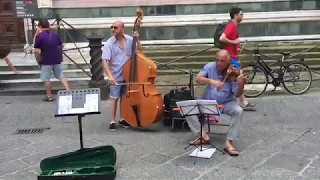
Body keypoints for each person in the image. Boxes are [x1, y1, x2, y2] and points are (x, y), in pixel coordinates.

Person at [185, 49, 245, 156]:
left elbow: (236, 94)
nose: (219, 63)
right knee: (187, 107)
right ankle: (203, 136)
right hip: (208, 101)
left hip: (226, 103)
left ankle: (229, 142)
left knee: (238, 111)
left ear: (228, 61)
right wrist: (212, 81)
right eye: (217, 60)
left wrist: (241, 85)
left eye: (222, 61)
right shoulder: (210, 66)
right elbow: (198, 79)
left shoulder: (233, 73)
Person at [102, 21, 143, 131]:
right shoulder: (109, 43)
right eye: (112, 27)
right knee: (114, 98)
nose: (113, 29)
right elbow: (105, 61)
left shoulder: (130, 39)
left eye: (115, 27)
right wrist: (109, 76)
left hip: (129, 75)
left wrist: (137, 39)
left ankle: (123, 118)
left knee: (125, 98)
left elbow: (140, 51)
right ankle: (112, 120)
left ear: (122, 29)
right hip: (116, 75)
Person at [219, 7, 256, 110]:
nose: (242, 16)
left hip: (231, 56)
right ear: (235, 15)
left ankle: (239, 101)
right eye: (241, 14)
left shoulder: (233, 26)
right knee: (239, 77)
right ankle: (243, 102)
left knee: (233, 79)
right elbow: (222, 38)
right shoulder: (231, 26)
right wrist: (234, 42)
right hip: (230, 58)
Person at [34, 19, 70, 101]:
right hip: (57, 59)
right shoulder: (56, 35)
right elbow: (60, 45)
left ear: (40, 26)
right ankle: (68, 91)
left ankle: (49, 96)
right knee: (61, 75)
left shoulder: (40, 36)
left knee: (46, 78)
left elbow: (36, 47)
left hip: (46, 60)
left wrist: (36, 33)